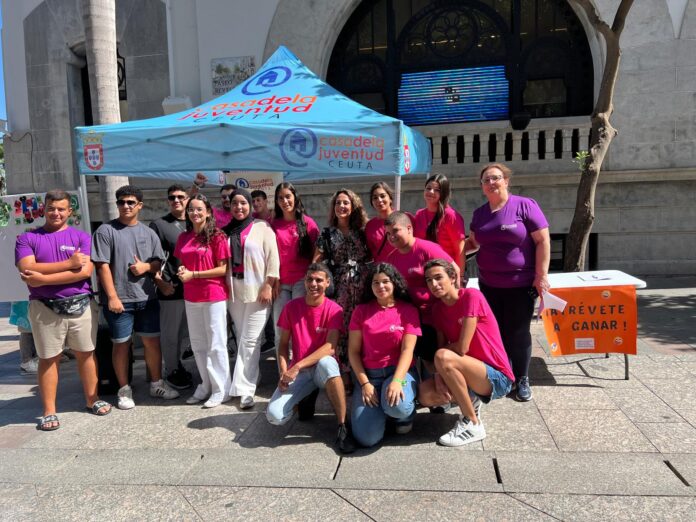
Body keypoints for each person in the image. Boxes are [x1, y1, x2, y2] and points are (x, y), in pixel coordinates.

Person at [15, 189, 111, 430]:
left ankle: (92, 399)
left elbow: (85, 272)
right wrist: (69, 264)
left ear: (70, 211)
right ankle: (49, 410)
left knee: (86, 353)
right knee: (49, 358)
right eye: (51, 208)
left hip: (82, 305)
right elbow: (27, 268)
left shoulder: (81, 237)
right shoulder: (27, 238)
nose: (55, 213)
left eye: (61, 209)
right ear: (43, 210)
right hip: (44, 308)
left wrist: (42, 278)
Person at [466, 163, 551, 401]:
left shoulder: (525, 205)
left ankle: (522, 378)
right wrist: (447, 252)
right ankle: (505, 375)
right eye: (486, 180)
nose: (491, 183)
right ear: (482, 187)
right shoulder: (480, 214)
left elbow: (543, 241)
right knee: (496, 331)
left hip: (520, 285)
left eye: (495, 178)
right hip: (489, 284)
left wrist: (541, 275)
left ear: (506, 181)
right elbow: (473, 244)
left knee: (518, 331)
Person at [92, 185, 179, 410]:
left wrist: (146, 267)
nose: (126, 206)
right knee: (121, 344)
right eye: (121, 202)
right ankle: (124, 389)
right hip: (119, 301)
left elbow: (157, 262)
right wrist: (112, 297)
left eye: (131, 202)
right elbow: (102, 266)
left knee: (152, 342)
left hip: (147, 298)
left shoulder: (148, 232)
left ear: (139, 205)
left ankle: (156, 384)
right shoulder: (105, 231)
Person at [419, 259, 515, 446]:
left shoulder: (471, 296)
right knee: (425, 394)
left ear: (452, 277)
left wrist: (441, 358)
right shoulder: (437, 309)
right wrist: (439, 376)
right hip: (467, 372)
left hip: (496, 377)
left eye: (438, 278)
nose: (434, 284)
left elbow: (462, 347)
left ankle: (472, 423)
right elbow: (442, 345)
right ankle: (472, 400)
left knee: (442, 356)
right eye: (429, 280)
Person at [266, 263, 356, 454]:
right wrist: (284, 372)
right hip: (300, 371)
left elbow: (330, 347)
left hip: (320, 367)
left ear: (327, 282)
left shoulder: (334, 309)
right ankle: (306, 397)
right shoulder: (291, 307)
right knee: (275, 416)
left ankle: (343, 426)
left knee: (327, 363)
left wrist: (297, 366)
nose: (313, 284)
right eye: (309, 279)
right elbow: (282, 345)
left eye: (318, 280)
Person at [348, 263, 420, 447]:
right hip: (370, 377)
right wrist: (365, 384)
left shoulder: (408, 310)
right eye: (376, 282)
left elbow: (407, 350)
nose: (381, 286)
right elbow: (353, 352)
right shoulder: (361, 311)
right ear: (370, 286)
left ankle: (403, 416)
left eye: (385, 281)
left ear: (394, 283)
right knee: (367, 439)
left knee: (398, 407)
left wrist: (397, 381)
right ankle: (381, 412)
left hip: (399, 372)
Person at [222, 188, 279, 409]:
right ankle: (251, 377)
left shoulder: (262, 227)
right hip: (234, 290)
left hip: (258, 289)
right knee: (241, 336)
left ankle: (245, 389)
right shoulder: (225, 231)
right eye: (235, 203)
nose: (239, 207)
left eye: (243, 203)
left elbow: (273, 258)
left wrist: (268, 285)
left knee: (251, 339)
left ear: (250, 205)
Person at [174, 194, 232, 408]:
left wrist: (194, 275)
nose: (195, 213)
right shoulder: (184, 237)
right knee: (198, 344)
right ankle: (206, 385)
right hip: (191, 296)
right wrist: (183, 270)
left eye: (199, 209)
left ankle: (221, 389)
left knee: (216, 344)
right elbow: (183, 263)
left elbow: (223, 269)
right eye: (191, 209)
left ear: (208, 212)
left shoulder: (217, 236)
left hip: (213, 295)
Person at [384, 211, 459, 371]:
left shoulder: (427, 248)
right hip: (410, 319)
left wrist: (455, 307)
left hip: (434, 318)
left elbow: (454, 270)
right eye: (388, 233)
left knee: (436, 363)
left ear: (409, 228)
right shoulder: (391, 258)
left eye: (395, 231)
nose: (391, 237)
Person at [314, 189, 371, 385]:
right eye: (338, 203)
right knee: (341, 327)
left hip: (363, 284)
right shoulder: (327, 233)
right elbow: (316, 261)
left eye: (346, 202)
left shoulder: (363, 232)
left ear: (353, 206)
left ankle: (363, 369)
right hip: (339, 286)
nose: (341, 206)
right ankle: (344, 372)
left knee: (362, 325)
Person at [149, 184, 192, 390]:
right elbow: (153, 259)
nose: (176, 200)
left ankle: (179, 365)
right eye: (172, 197)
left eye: (180, 197)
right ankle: (172, 370)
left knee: (186, 334)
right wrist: (160, 283)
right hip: (171, 290)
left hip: (196, 290)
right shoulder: (159, 225)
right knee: (171, 335)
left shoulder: (195, 220)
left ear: (187, 199)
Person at [270, 182, 320, 352]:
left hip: (301, 281)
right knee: (280, 330)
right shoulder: (273, 224)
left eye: (288, 197)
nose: (285, 201)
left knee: (299, 328)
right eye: (280, 198)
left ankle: (300, 366)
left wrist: (310, 278)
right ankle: (283, 368)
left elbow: (318, 252)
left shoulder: (308, 223)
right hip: (280, 283)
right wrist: (273, 280)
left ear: (295, 197)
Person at [413, 174, 466, 273]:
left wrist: (460, 277)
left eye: (437, 190)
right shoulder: (419, 214)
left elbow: (460, 251)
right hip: (424, 271)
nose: (431, 192)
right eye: (428, 188)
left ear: (444, 193)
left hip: (446, 272)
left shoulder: (451, 216)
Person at [365, 181, 400, 263]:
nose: (379, 200)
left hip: (402, 266)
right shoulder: (370, 226)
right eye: (375, 198)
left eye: (382, 196)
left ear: (390, 198)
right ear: (372, 202)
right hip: (381, 268)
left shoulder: (404, 218)